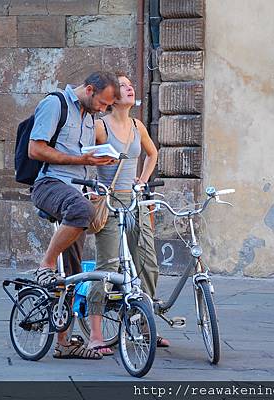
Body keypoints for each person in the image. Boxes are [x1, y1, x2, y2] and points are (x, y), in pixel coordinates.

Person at [29, 71, 120, 360]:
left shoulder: (90, 115)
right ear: (90, 89)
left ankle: (64, 343)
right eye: (103, 103)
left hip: (75, 192)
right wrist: (81, 160)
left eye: (108, 107)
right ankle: (45, 262)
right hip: (49, 185)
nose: (103, 110)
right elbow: (36, 149)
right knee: (82, 210)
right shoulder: (55, 104)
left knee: (73, 271)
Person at [86, 73, 170, 355]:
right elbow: (84, 155)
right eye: (122, 86)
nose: (129, 87)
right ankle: (95, 336)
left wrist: (143, 180)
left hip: (134, 201)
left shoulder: (137, 125)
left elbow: (152, 154)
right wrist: (92, 188)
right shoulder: (101, 126)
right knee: (108, 266)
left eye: (130, 84)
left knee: (147, 262)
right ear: (112, 97)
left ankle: (145, 325)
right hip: (109, 202)